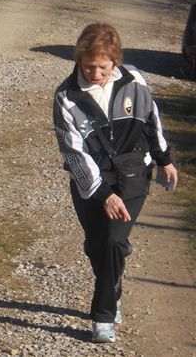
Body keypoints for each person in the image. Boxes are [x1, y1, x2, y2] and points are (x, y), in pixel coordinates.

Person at [53, 23, 178, 343]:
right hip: (92, 182)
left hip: (134, 174)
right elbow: (74, 152)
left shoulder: (134, 79)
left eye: (103, 67)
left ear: (115, 62)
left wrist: (163, 159)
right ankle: (116, 270)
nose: (95, 73)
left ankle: (103, 315)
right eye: (89, 65)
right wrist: (104, 194)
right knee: (100, 244)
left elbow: (152, 121)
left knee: (110, 239)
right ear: (79, 60)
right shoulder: (66, 96)